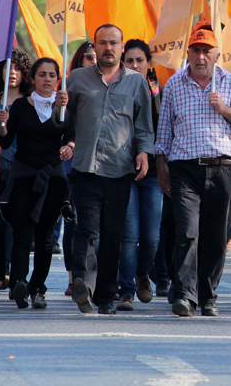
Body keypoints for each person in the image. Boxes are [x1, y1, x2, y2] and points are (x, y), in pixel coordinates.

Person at [155, 23, 231, 316]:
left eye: (206, 51)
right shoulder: (174, 84)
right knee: (186, 231)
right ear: (189, 53)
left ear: (216, 54)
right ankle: (185, 295)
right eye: (196, 50)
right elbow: (164, 132)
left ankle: (208, 295)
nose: (200, 57)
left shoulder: (230, 83)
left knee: (217, 236)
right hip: (184, 168)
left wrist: (224, 108)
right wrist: (161, 165)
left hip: (222, 168)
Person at [56, 24, 153, 315]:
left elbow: (144, 126)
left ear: (122, 47)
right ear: (94, 47)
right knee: (86, 229)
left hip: (120, 169)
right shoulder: (76, 79)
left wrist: (144, 154)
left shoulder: (137, 83)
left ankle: (106, 296)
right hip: (85, 168)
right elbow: (62, 125)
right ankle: (84, 284)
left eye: (113, 43)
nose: (108, 48)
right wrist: (59, 107)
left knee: (112, 234)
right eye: (102, 43)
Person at [0, 57, 73, 309]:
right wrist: (2, 126)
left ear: (58, 79)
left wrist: (69, 147)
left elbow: (71, 137)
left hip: (52, 178)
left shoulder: (63, 106)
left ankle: (38, 288)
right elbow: (6, 142)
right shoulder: (19, 105)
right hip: (23, 176)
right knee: (22, 232)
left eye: (52, 75)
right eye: (42, 74)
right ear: (33, 78)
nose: (47, 79)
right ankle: (19, 283)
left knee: (45, 237)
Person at [117, 38, 164, 311]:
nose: (134, 65)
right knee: (129, 234)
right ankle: (127, 290)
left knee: (151, 237)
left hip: (153, 174)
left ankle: (143, 272)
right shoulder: (117, 88)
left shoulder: (160, 93)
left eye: (139, 60)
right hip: (124, 171)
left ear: (149, 64)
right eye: (130, 60)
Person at [0, 48, 32, 300]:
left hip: (24, 171)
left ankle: (17, 279)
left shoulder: (33, 100)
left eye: (17, 68)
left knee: (19, 227)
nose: (12, 72)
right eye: (7, 67)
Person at [56, 40, 98, 296]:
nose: (93, 61)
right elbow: (61, 125)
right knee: (73, 222)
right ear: (79, 61)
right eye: (89, 57)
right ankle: (75, 278)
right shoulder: (71, 86)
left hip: (102, 165)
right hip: (73, 164)